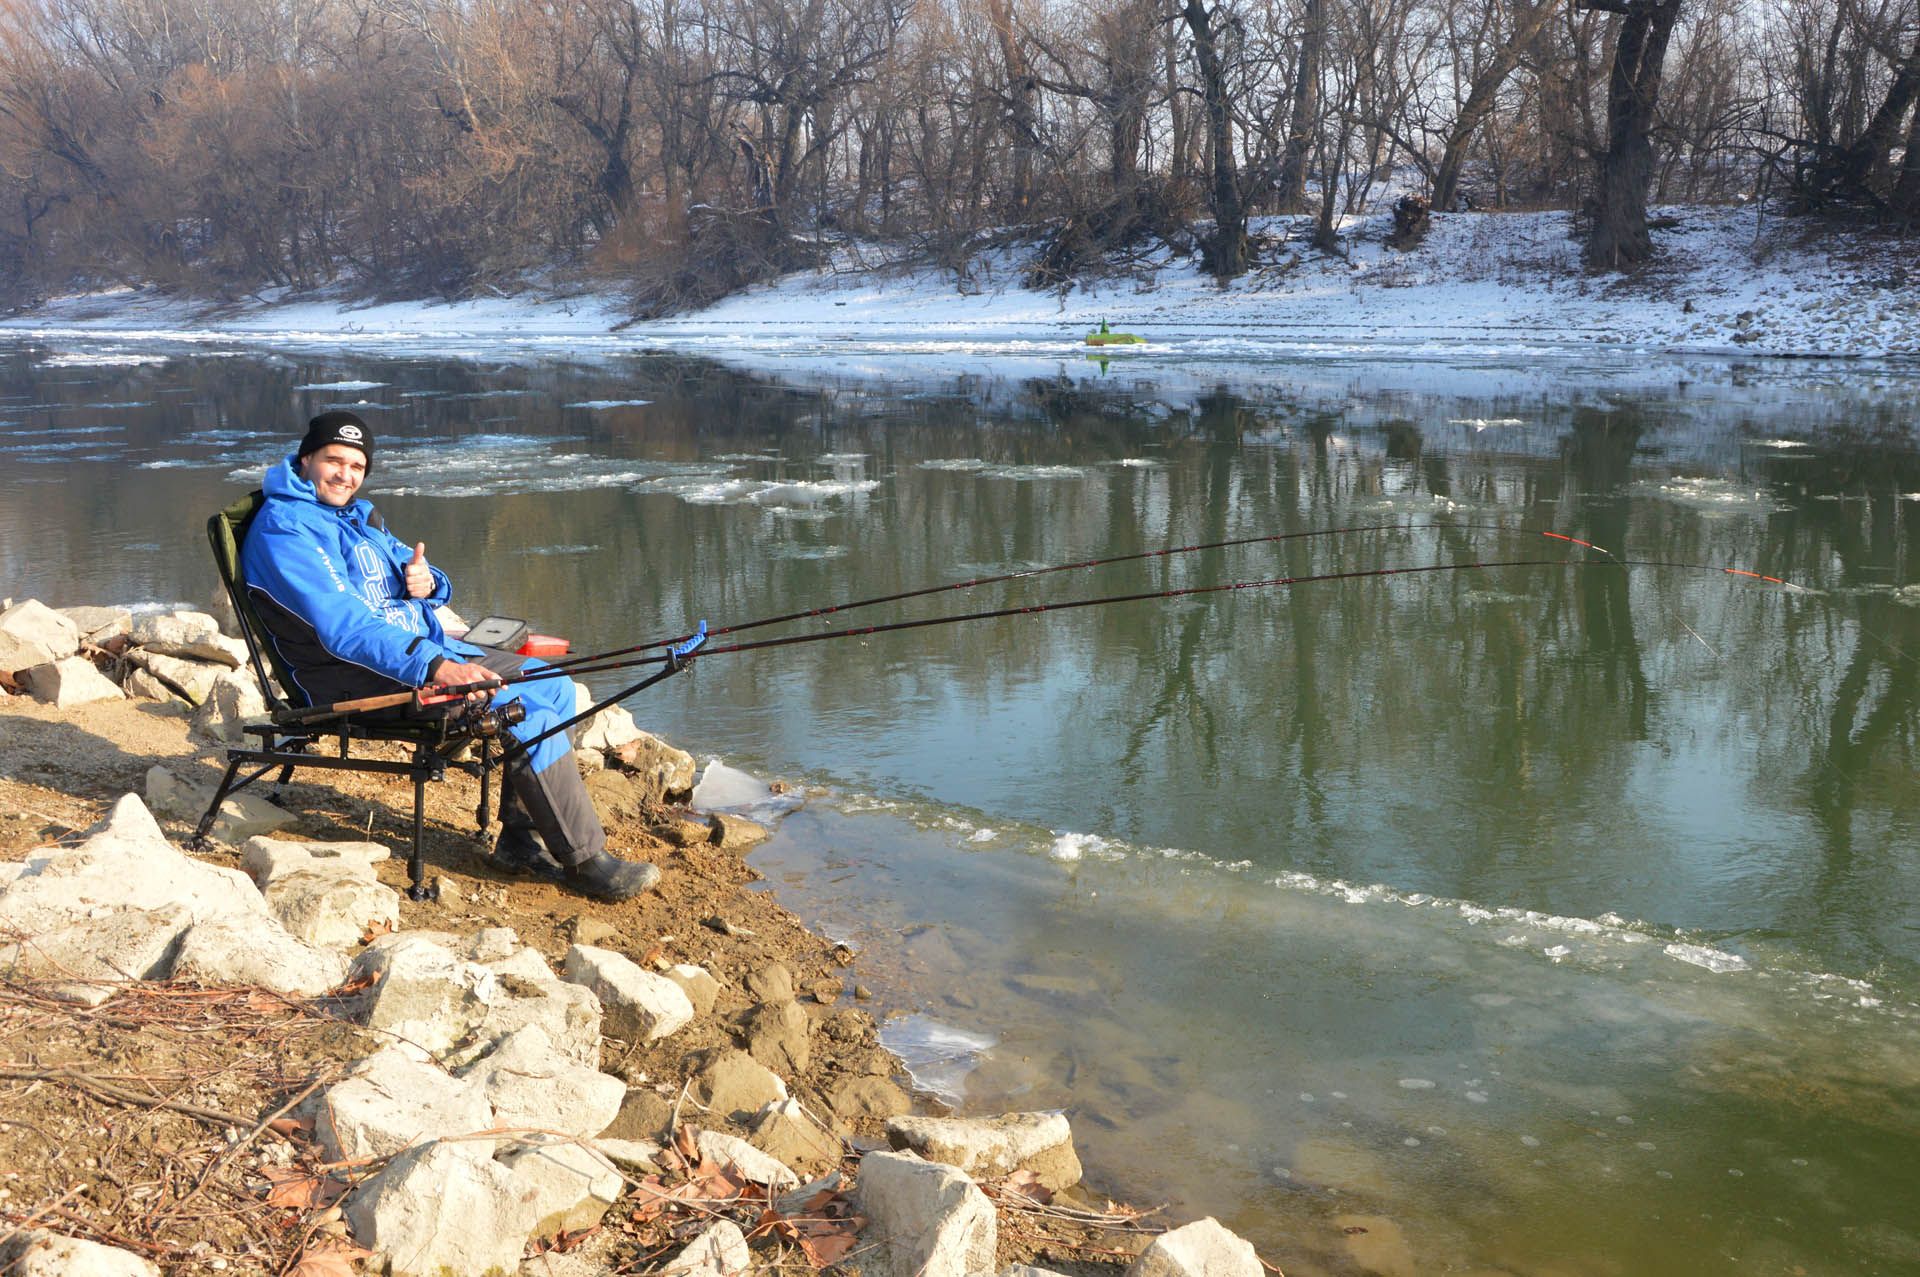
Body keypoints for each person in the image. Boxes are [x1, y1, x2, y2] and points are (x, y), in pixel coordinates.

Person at [240, 410, 659, 902]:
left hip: (415, 653)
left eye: (357, 466)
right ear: (307, 458)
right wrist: (437, 666)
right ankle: (587, 860)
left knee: (551, 684)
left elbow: (417, 570)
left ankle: (520, 841)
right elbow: (344, 628)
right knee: (518, 709)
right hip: (357, 676)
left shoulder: (356, 517)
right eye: (334, 461)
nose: (345, 475)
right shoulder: (287, 529)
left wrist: (430, 581)